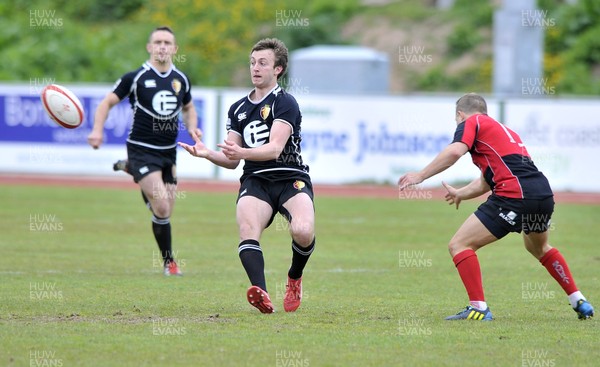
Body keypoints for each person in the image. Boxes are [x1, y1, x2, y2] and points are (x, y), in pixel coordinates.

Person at [398, 93, 594, 321]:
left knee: (459, 245)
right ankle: (578, 299)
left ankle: (479, 308)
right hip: (542, 195)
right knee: (539, 248)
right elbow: (487, 179)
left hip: (515, 197)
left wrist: (420, 175)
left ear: (460, 115)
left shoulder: (472, 122)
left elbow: (454, 151)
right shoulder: (505, 131)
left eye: (456, 121)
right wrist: (461, 193)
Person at [179, 38, 315, 314]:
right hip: (256, 181)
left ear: (278, 69)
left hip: (291, 178)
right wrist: (207, 154)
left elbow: (275, 148)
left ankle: (294, 278)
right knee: (247, 231)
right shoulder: (238, 108)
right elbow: (232, 159)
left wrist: (239, 152)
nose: (255, 68)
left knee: (302, 231)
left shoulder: (285, 101)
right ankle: (261, 292)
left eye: (263, 63)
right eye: (252, 62)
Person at [87, 26, 199, 276]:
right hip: (141, 148)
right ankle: (169, 263)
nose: (162, 46)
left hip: (168, 152)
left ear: (175, 49)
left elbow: (189, 108)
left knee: (167, 208)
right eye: (157, 42)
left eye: (167, 42)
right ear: (149, 47)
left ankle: (131, 169)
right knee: (161, 207)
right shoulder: (135, 78)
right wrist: (97, 130)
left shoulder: (181, 79)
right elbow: (106, 102)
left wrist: (192, 129)